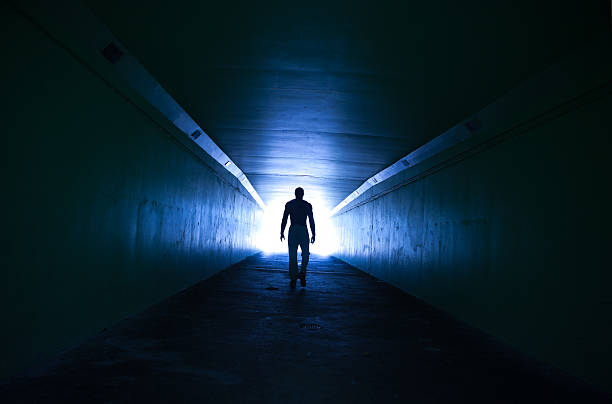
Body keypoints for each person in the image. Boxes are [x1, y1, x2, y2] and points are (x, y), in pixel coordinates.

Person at [280, 187, 315, 288]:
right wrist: (313, 233)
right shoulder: (307, 205)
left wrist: (282, 232)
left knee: (292, 255)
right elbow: (311, 220)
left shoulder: (289, 204)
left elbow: (285, 219)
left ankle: (294, 278)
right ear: (303, 194)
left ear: (295, 194)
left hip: (293, 229)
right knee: (305, 254)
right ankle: (302, 273)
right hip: (303, 230)